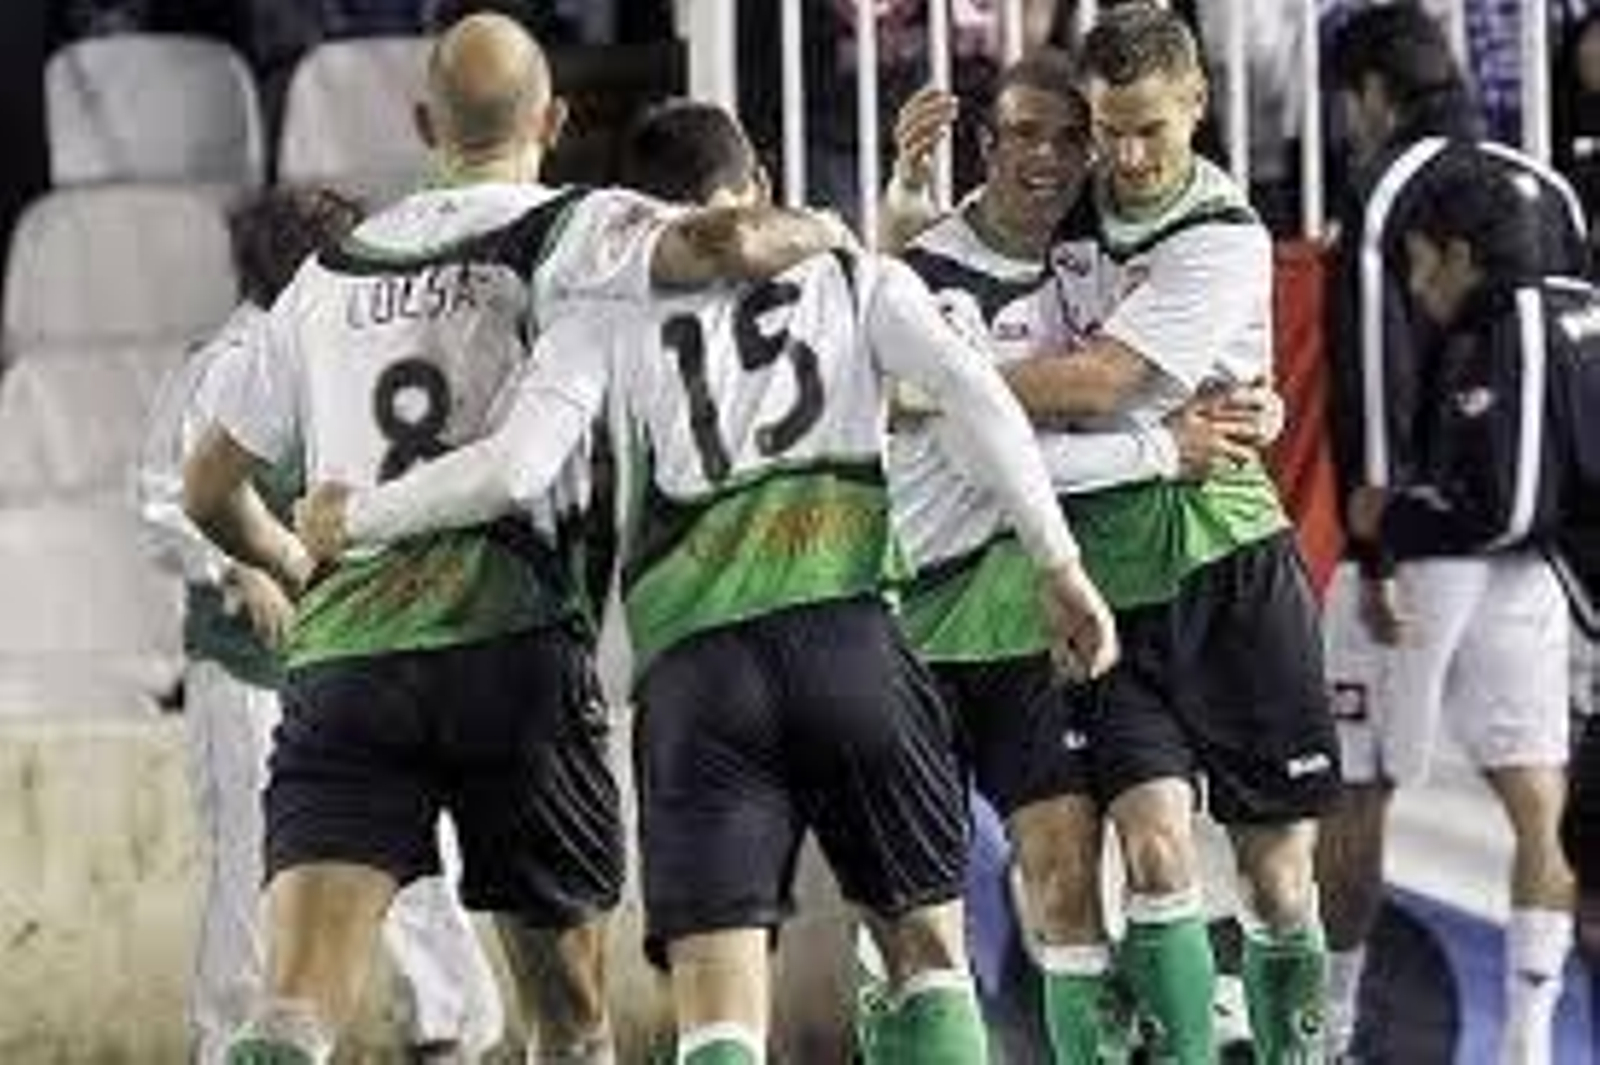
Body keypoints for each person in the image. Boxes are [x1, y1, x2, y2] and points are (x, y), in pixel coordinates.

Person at [291, 97, 1121, 1065]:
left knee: (718, 1011)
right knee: (923, 953)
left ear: (636, 216)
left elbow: (511, 470)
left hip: (700, 677)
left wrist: (356, 516)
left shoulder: (603, 308)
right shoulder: (852, 272)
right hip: (849, 641)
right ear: (758, 185)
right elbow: (978, 397)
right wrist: (1059, 564)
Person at [180, 15, 851, 1065]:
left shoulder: (326, 274)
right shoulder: (572, 226)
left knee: (292, 1016)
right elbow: (724, 243)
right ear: (555, 118)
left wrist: (294, 562)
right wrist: (824, 227)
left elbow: (207, 484)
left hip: (351, 667)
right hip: (515, 657)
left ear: (421, 124)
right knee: (571, 1024)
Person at [881, 51, 1277, 1064]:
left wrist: (1251, 393)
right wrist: (1152, 447)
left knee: (1075, 868)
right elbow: (983, 454)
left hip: (1029, 606)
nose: (1052, 158)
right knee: (905, 916)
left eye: (1072, 136)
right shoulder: (926, 271)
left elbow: (1135, 372)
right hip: (918, 612)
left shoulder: (1095, 260)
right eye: (1024, 134)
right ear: (986, 143)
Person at [988, 6, 1339, 1062]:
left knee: (1275, 878)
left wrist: (954, 390)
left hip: (1229, 569)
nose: (1128, 156)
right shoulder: (1070, 201)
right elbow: (948, 251)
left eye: (1150, 127)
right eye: (1107, 128)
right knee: (1149, 851)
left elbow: (1102, 383)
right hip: (1104, 585)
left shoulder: (1222, 236)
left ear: (1196, 103)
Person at [138, 186, 506, 1065]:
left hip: (361, 652)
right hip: (248, 665)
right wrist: (236, 566)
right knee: (250, 868)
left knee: (415, 847)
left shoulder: (353, 355)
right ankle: (232, 1043)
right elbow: (163, 497)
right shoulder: (219, 364)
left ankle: (450, 1026)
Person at [1318, 6, 1589, 1060]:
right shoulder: (1548, 182)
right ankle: (1527, 1042)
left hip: (1423, 544)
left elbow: (1371, 373)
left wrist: (1376, 541)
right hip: (1530, 546)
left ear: (1372, 90)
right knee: (1537, 799)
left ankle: (1329, 1030)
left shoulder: (1389, 186)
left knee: (1358, 785)